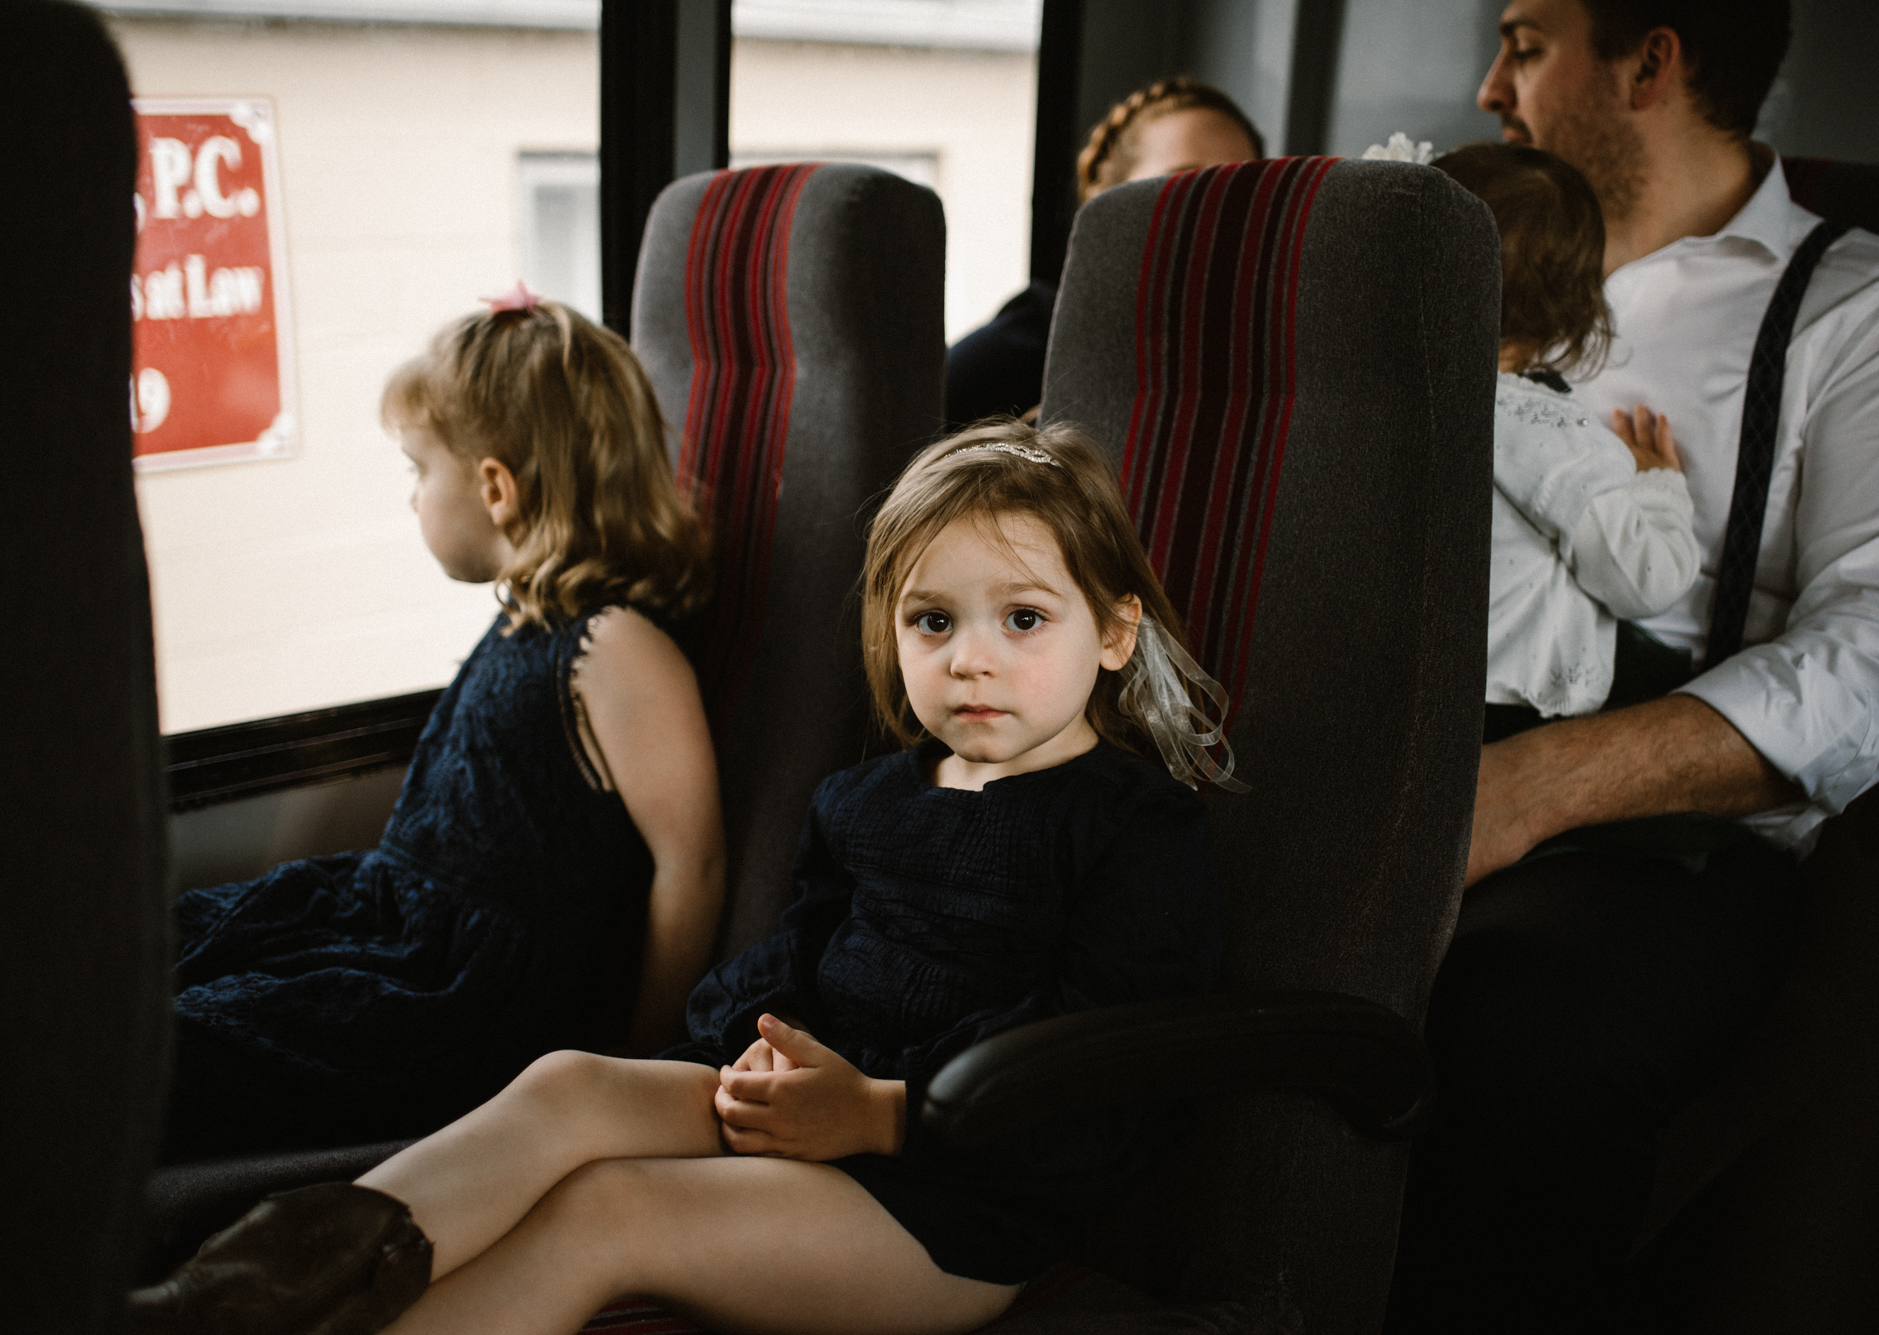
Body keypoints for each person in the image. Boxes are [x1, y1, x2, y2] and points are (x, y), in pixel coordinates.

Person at [132, 419, 1234, 1335]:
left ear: (1113, 633)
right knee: (569, 1083)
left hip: (960, 1200)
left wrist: (881, 1114)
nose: (970, 657)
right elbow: (795, 959)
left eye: (1022, 619)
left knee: (609, 1211)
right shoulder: (868, 801)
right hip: (815, 1108)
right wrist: (746, 1046)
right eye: (931, 621)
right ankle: (238, 1302)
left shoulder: (1135, 834)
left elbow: (1099, 1074)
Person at [1388, 2, 1879, 1330]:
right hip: (1377, 744)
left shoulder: (1873, 313)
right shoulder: (1436, 251)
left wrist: (1531, 787)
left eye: (1528, 42)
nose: (1490, 87)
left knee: (1520, 1036)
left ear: (1651, 61)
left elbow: (1878, 653)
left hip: (1647, 845)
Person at [163, 291, 727, 1161]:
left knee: (182, 1043)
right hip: (391, 922)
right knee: (175, 941)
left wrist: (638, 1060)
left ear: (496, 488)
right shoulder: (529, 617)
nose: (413, 497)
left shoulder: (616, 648)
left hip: (457, 995)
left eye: (419, 471)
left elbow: (691, 863)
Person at [1431, 141, 1700, 737]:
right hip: (1505, 710)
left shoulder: (1386, 404)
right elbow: (1644, 581)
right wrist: (1658, 487)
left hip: (1390, 683)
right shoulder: (1558, 436)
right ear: (1574, 310)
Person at [945, 78, 1263, 425]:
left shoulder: (1267, 363)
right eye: (1184, 186)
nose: (1219, 212)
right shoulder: (1011, 360)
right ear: (1107, 207)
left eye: (1244, 191)